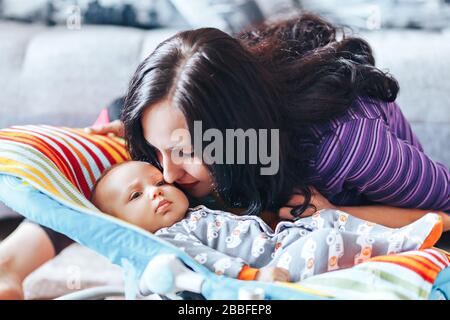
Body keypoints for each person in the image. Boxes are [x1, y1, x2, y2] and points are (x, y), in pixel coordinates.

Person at [1, 14, 449, 299]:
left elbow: (441, 209)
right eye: (157, 151)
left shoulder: (351, 144)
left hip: (320, 172)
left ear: (240, 134)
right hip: (225, 134)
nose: (168, 173)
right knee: (122, 170)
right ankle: (9, 263)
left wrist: (334, 212)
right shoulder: (169, 133)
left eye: (185, 153)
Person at [90, 160, 443, 283]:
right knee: (326, 241)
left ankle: (403, 235)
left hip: (280, 241)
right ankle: (401, 246)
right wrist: (252, 276)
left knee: (328, 218)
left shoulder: (196, 210)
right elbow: (206, 261)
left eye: (158, 182)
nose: (156, 191)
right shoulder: (169, 238)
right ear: (121, 223)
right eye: (136, 196)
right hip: (273, 266)